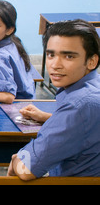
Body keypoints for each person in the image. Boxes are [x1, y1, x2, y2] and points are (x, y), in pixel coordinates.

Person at [8, 19, 100, 180]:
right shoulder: (93, 86)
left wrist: (17, 159)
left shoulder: (78, 105)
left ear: (92, 61)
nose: (55, 65)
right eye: (51, 54)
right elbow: (86, 126)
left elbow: (26, 170)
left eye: (69, 56)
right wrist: (49, 118)